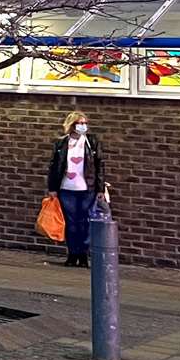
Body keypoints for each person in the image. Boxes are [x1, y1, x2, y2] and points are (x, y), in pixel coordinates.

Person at [47, 110, 106, 267]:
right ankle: (72, 254)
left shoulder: (91, 142)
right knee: (71, 223)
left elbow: (100, 165)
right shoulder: (62, 143)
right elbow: (54, 166)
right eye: (80, 123)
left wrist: (100, 189)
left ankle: (83, 255)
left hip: (87, 189)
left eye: (85, 123)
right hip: (67, 188)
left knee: (85, 222)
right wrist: (52, 187)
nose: (83, 126)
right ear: (72, 125)